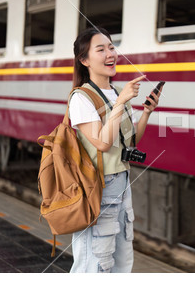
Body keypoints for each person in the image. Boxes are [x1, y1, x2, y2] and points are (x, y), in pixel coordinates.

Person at [68, 27, 162, 273]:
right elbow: (102, 143)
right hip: (98, 186)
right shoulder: (82, 97)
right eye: (101, 49)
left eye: (111, 47)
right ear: (84, 60)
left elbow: (130, 141)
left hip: (122, 183)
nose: (110, 53)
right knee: (94, 263)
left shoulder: (118, 92)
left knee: (121, 262)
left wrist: (147, 113)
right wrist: (119, 104)